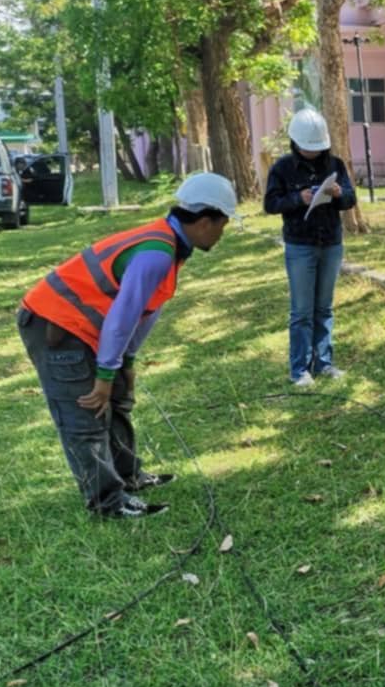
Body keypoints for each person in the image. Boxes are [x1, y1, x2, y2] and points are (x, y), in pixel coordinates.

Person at [16, 172, 238, 518]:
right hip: (55, 325)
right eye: (222, 225)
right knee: (86, 411)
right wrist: (105, 374)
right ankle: (108, 502)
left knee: (118, 399)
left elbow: (144, 311)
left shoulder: (171, 246)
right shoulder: (156, 253)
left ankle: (128, 477)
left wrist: (126, 363)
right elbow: (123, 315)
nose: (222, 234)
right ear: (205, 221)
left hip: (86, 328)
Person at [263, 108, 357, 386]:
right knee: (302, 311)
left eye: (317, 148)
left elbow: (350, 199)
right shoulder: (282, 168)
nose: (313, 153)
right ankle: (299, 370)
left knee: (324, 308)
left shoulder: (335, 165)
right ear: (295, 142)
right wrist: (298, 199)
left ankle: (324, 363)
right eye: (308, 148)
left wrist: (339, 194)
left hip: (331, 243)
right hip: (300, 245)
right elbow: (270, 204)